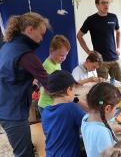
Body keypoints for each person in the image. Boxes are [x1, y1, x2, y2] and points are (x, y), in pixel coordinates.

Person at [0, 12, 50, 156]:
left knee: (25, 145)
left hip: (5, 104)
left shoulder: (9, 44)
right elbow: (50, 84)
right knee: (24, 153)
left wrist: (32, 84)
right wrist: (77, 99)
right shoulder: (26, 54)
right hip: (12, 112)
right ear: (29, 30)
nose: (41, 39)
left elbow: (12, 76)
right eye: (41, 34)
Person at [77, 0, 121, 81]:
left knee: (120, 84)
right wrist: (88, 51)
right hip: (101, 61)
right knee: (103, 86)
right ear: (97, 5)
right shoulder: (91, 20)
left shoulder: (113, 17)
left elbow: (119, 32)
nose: (106, 5)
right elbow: (79, 36)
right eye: (103, 3)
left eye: (107, 3)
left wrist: (119, 48)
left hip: (115, 59)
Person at [81, 82, 121, 157]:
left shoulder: (87, 117)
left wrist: (119, 129)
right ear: (108, 108)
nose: (116, 110)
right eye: (116, 108)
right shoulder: (102, 133)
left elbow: (96, 132)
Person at [41, 70, 86, 157]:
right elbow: (92, 123)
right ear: (69, 90)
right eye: (74, 90)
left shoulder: (45, 111)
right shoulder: (71, 108)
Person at [38, 35, 70, 115]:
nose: (63, 58)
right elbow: (48, 89)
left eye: (66, 55)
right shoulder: (47, 66)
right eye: (61, 55)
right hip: (46, 105)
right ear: (51, 51)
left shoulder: (56, 62)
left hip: (53, 104)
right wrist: (64, 95)